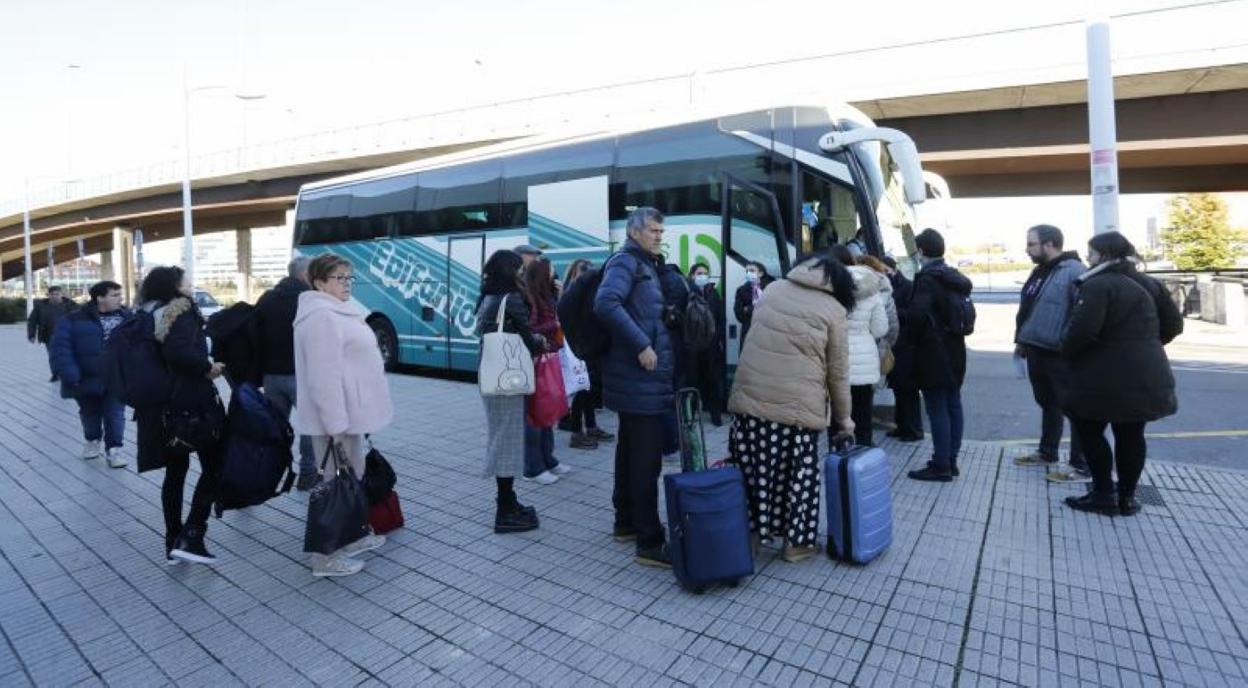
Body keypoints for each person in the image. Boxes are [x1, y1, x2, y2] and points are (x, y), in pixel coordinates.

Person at [728, 251, 855, 562]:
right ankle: (796, 544)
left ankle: (751, 536)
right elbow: (837, 372)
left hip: (750, 402)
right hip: (796, 411)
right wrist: (845, 418)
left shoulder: (772, 290)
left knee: (751, 472)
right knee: (798, 477)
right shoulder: (833, 309)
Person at [1061, 232, 1181, 516]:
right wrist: (1145, 344)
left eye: (1091, 254)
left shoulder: (1098, 285)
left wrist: (1065, 353)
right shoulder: (1151, 284)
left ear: (1103, 255)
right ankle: (1127, 498)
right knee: (1131, 433)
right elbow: (1174, 325)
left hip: (1102, 376)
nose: (1088, 260)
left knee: (1088, 429)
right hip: (1147, 372)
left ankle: (1103, 493)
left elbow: (1082, 332)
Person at [293, 254, 393, 577]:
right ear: (320, 282)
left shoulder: (337, 311)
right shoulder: (322, 317)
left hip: (350, 417)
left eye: (350, 277)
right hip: (335, 421)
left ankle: (350, 539)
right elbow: (324, 379)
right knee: (333, 485)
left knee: (350, 481)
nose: (347, 283)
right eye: (339, 278)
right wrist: (335, 427)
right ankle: (324, 558)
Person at [594, 207, 675, 568]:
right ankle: (649, 539)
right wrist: (642, 344)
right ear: (634, 231)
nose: (659, 236)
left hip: (640, 380)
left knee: (630, 453)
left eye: (661, 231)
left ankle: (625, 522)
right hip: (640, 377)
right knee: (645, 461)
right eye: (654, 231)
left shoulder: (645, 264)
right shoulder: (626, 262)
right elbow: (605, 303)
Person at [134, 267, 227, 565]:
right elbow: (178, 352)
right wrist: (207, 368)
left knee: (176, 474)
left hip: (163, 404)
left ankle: (173, 541)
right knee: (214, 466)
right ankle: (192, 535)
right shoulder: (182, 311)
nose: (191, 284)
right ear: (173, 286)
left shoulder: (148, 312)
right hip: (192, 404)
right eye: (186, 280)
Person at [1012, 225, 1089, 483]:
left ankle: (1080, 463)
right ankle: (1047, 452)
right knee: (1048, 404)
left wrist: (1065, 342)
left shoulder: (1074, 272)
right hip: (1035, 349)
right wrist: (1021, 341)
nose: (1027, 249)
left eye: (1031, 244)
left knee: (1073, 408)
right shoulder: (1039, 272)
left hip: (1058, 353)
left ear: (1049, 244)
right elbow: (1030, 309)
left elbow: (1081, 314)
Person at [477, 250, 545, 534]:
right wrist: (541, 342)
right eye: (518, 269)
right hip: (509, 380)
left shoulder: (487, 297)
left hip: (491, 375)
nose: (522, 273)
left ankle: (508, 500)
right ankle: (504, 510)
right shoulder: (512, 299)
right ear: (509, 271)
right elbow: (530, 340)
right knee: (507, 440)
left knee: (501, 435)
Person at [902, 229, 974, 482]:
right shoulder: (953, 277)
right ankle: (951, 460)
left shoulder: (927, 278)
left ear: (921, 251)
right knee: (954, 404)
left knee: (936, 407)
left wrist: (901, 313)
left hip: (933, 352)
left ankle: (940, 464)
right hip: (956, 349)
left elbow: (917, 316)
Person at [49, 280, 131, 468]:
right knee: (89, 413)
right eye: (115, 295)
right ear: (100, 297)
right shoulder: (73, 319)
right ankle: (93, 440)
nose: (120, 298)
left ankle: (114, 450)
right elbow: (60, 348)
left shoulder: (128, 317)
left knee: (115, 413)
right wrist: (69, 373)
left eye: (120, 294)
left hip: (116, 377)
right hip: (85, 377)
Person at [254, 256, 319, 490]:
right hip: (301, 376)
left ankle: (267, 474)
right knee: (311, 426)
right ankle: (307, 474)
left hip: (271, 377)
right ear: (304, 275)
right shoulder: (310, 301)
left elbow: (255, 333)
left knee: (276, 428)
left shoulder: (267, 298)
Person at [832, 245, 890, 447]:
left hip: (837, 357)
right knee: (863, 411)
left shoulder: (831, 287)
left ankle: (839, 456)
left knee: (838, 413)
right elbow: (881, 329)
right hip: (865, 359)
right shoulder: (873, 291)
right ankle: (863, 454)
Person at [522, 256, 570, 484]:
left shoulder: (547, 294)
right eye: (551, 269)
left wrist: (559, 296)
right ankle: (533, 467)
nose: (554, 273)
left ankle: (548, 460)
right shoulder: (530, 297)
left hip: (548, 356)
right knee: (535, 414)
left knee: (548, 410)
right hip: (535, 361)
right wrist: (555, 325)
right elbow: (529, 329)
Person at [562, 258, 614, 449]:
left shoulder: (585, 293)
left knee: (589, 389)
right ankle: (576, 433)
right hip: (578, 349)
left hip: (589, 348)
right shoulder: (569, 295)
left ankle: (591, 426)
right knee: (582, 390)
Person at [881, 256, 923, 442]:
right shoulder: (892, 286)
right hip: (897, 345)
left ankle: (913, 429)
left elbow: (912, 315)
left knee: (908, 390)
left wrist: (892, 314)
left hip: (906, 346)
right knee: (898, 388)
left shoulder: (906, 287)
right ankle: (902, 426)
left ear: (892, 270)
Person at [686, 263, 726, 426]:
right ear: (692, 275)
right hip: (693, 346)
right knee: (692, 380)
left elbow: (721, 318)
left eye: (705, 273)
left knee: (713, 380)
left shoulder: (714, 294)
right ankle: (691, 414)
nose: (702, 276)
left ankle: (715, 414)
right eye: (699, 273)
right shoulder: (687, 293)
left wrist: (720, 339)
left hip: (711, 346)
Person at [28, 285, 77, 382]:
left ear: (61, 294)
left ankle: (69, 373)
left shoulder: (71, 305)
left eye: (57, 294)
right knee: (53, 356)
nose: (55, 296)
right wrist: (31, 334)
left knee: (68, 355)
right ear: (48, 295)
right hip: (49, 336)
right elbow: (32, 320)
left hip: (68, 336)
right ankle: (55, 374)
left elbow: (80, 319)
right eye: (52, 294)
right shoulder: (40, 306)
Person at [733, 261, 773, 351]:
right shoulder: (741, 290)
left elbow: (772, 309)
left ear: (761, 273)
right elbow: (739, 314)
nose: (748, 273)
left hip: (767, 330)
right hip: (748, 330)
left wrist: (748, 309)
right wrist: (756, 308)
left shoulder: (770, 288)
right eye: (746, 271)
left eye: (751, 270)